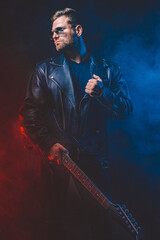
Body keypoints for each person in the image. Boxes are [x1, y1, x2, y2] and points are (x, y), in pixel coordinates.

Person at [19, 8, 133, 240]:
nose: (54, 36)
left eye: (59, 30)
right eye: (52, 32)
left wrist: (103, 93)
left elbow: (125, 110)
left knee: (102, 229)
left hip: (95, 163)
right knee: (53, 227)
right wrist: (48, 144)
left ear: (78, 30)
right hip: (58, 165)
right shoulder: (45, 70)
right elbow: (29, 116)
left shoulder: (108, 69)